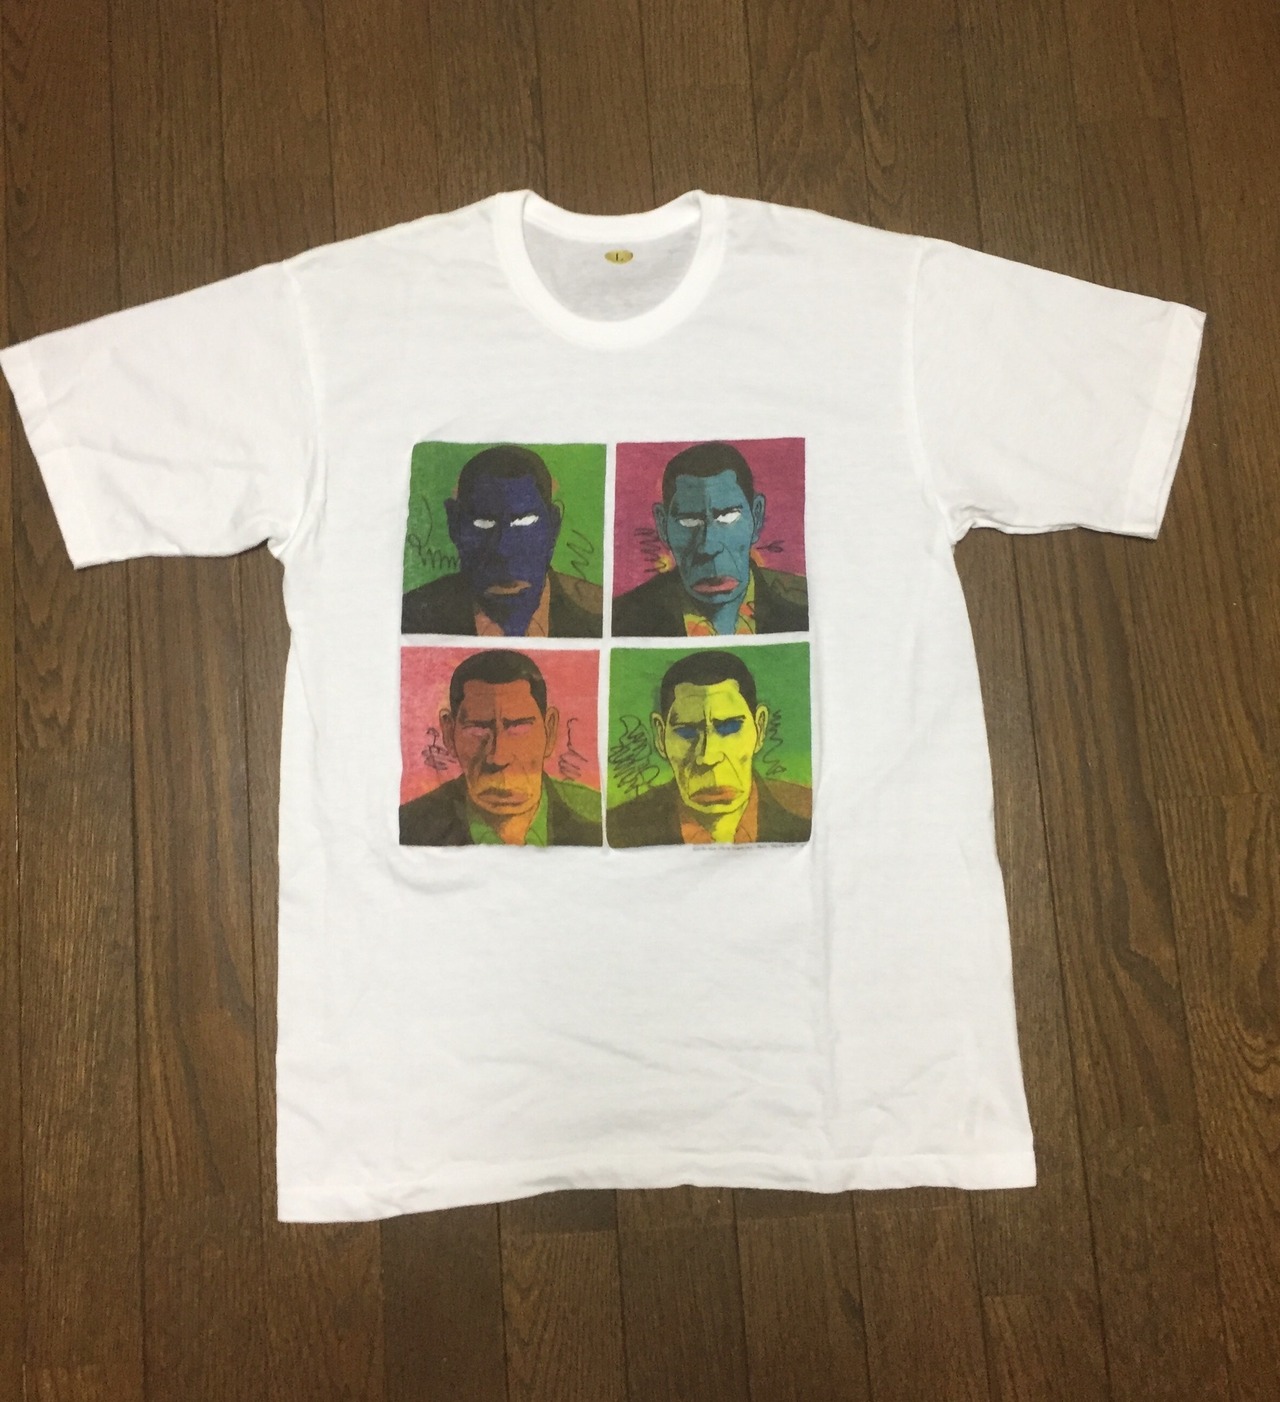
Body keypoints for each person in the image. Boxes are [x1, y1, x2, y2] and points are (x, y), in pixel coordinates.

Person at [607, 649, 811, 846]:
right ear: (660, 737)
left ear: (760, 728)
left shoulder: (806, 830)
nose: (708, 756)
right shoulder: (617, 832)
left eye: (730, 727)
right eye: (686, 731)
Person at [400, 649, 602, 846]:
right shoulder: (409, 827)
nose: (498, 756)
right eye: (478, 729)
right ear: (449, 734)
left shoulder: (599, 818)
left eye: (518, 727)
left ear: (549, 731)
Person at [402, 443, 602, 637]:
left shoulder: (600, 615)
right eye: (483, 523)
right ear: (455, 524)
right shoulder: (410, 616)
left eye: (525, 522)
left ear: (553, 524)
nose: (503, 548)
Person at [612, 441, 807, 636]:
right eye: (689, 520)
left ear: (756, 516)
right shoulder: (622, 620)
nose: (708, 546)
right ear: (663, 526)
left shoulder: (803, 611)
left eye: (728, 516)